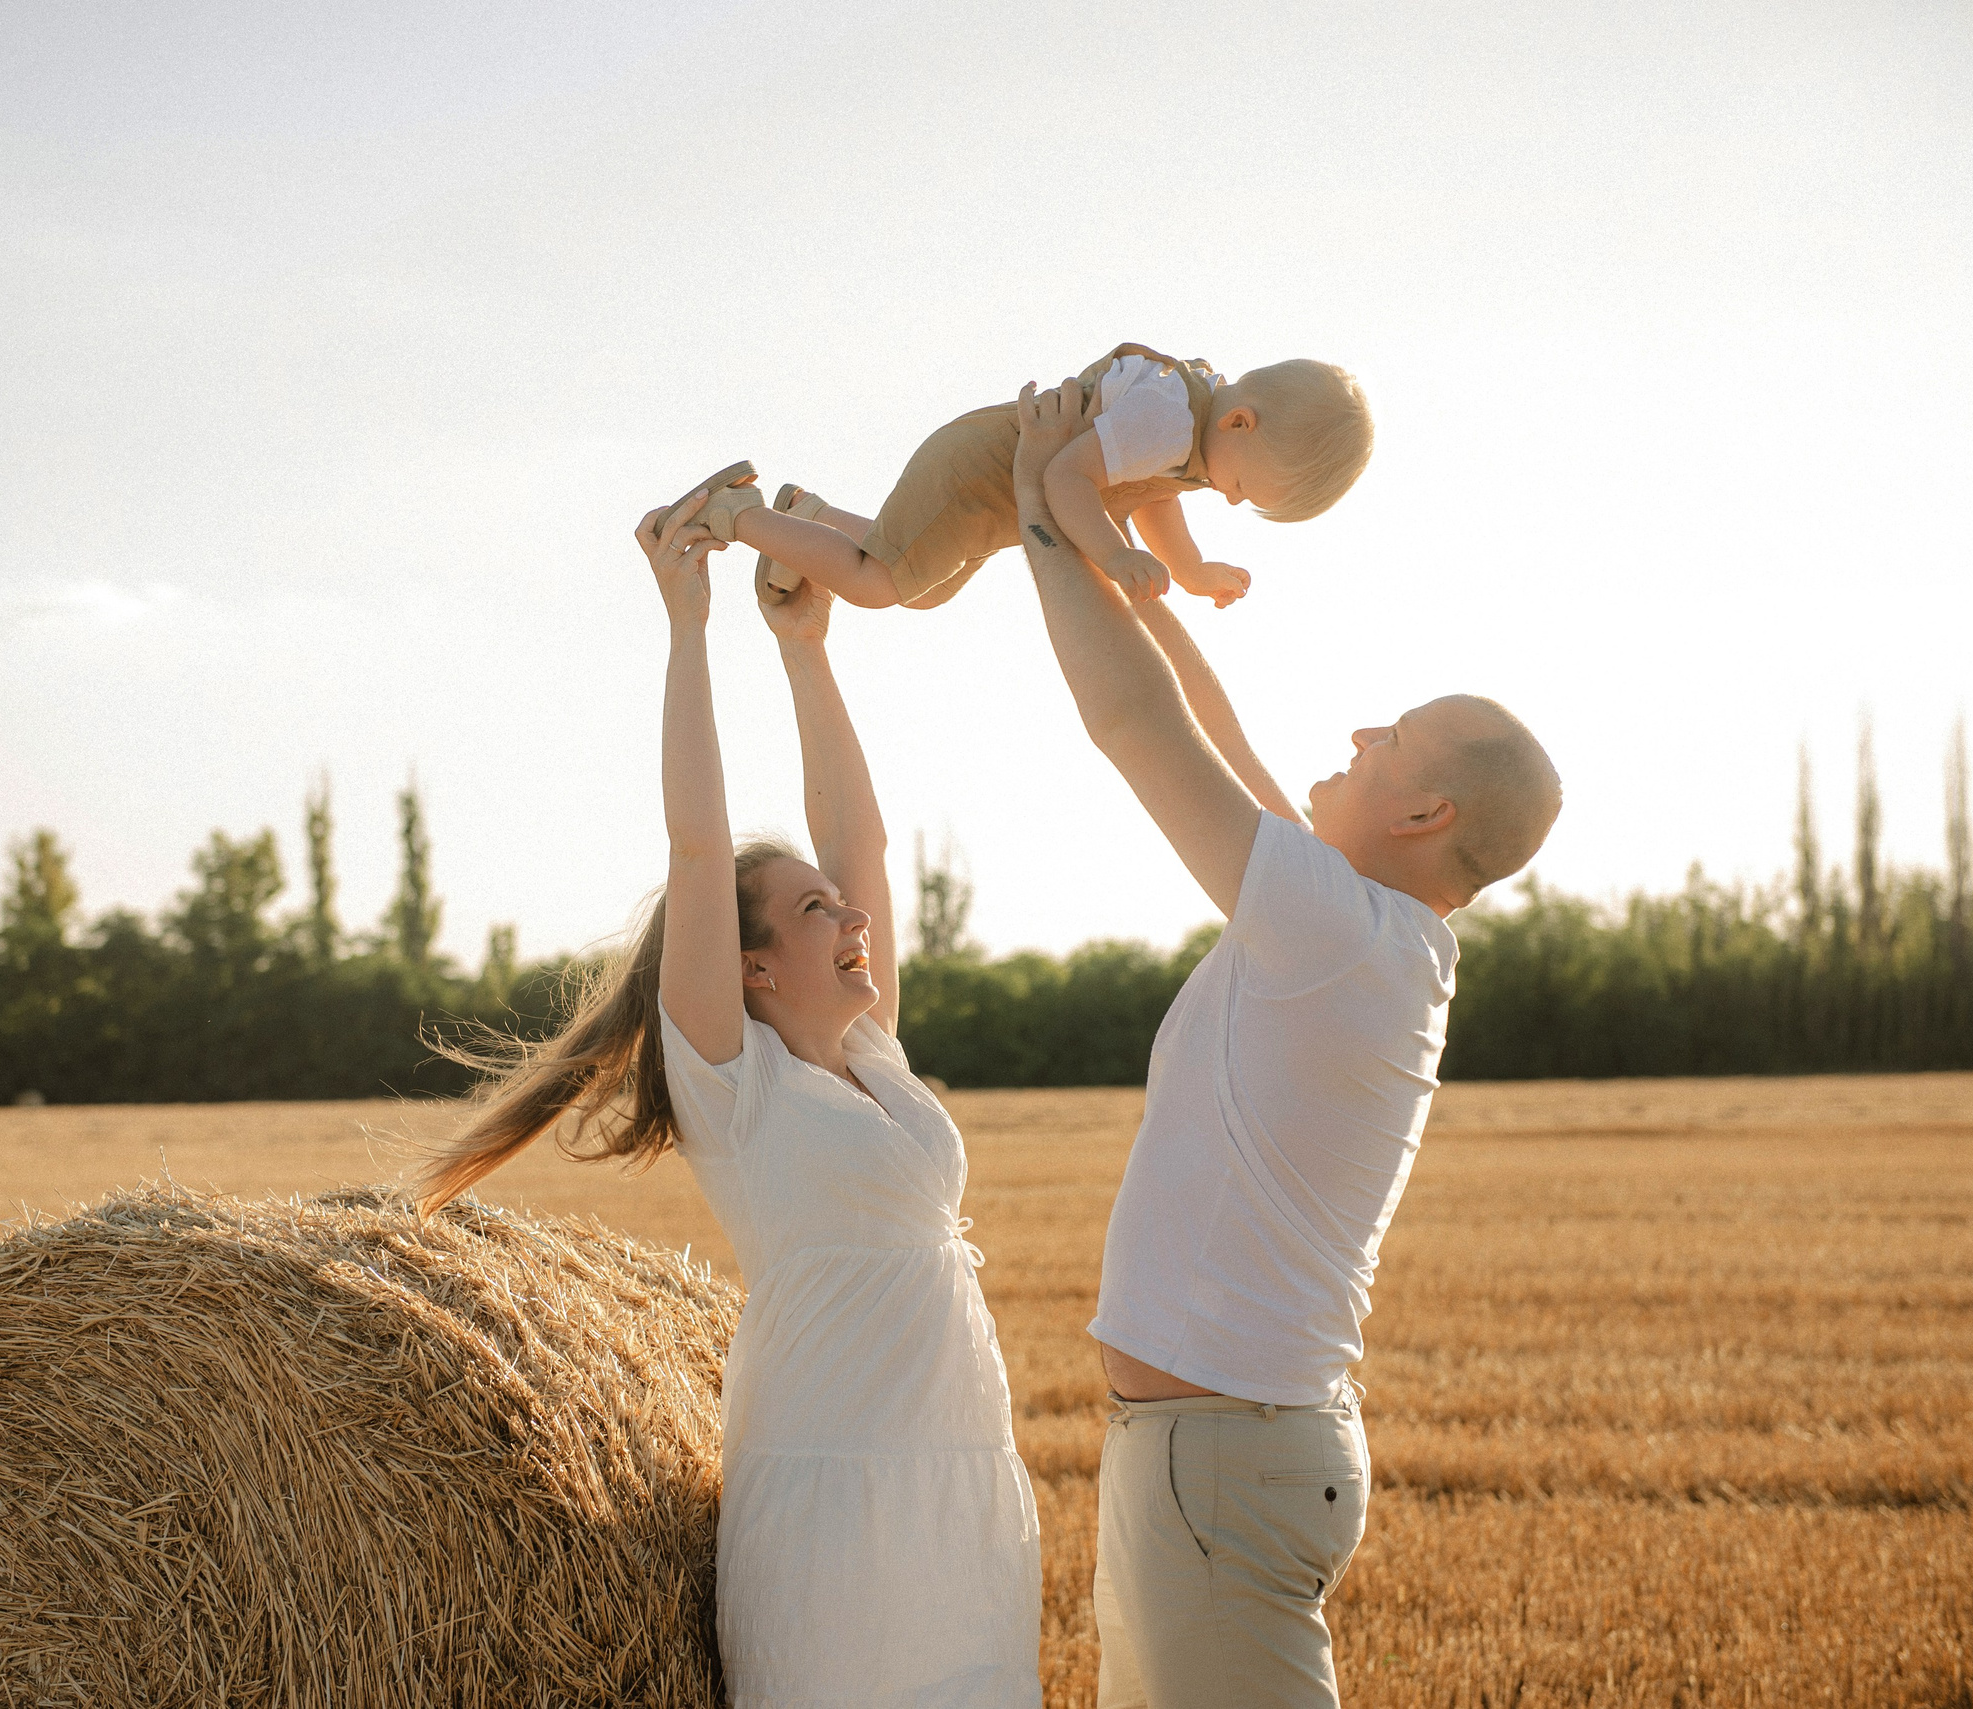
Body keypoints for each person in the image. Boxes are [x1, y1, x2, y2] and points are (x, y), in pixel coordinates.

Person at [412, 486, 1042, 1707]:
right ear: (751, 966)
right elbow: (698, 848)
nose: (855, 920)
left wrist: (806, 650)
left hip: (958, 1478)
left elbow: (861, 840)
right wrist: (687, 625)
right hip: (829, 1496)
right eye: (816, 913)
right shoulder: (734, 1083)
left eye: (841, 908)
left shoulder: (874, 1055)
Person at [1006, 376, 1562, 1708]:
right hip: (1201, 1451)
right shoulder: (1358, 922)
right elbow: (1214, 728)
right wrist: (1128, 566)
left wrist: (1039, 505)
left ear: (1426, 808)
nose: (1362, 729)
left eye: (1395, 735)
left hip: (1227, 1456)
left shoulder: (1343, 934)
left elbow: (1138, 729)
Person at [668, 342, 1369, 618]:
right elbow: (1067, 478)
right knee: (879, 584)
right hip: (975, 477)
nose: (1230, 497)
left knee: (926, 590)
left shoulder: (1191, 428)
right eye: (1243, 488)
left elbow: (1153, 497)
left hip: (990, 501)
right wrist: (1114, 554)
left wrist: (1190, 570)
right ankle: (740, 511)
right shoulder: (1168, 413)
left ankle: (806, 516)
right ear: (1241, 422)